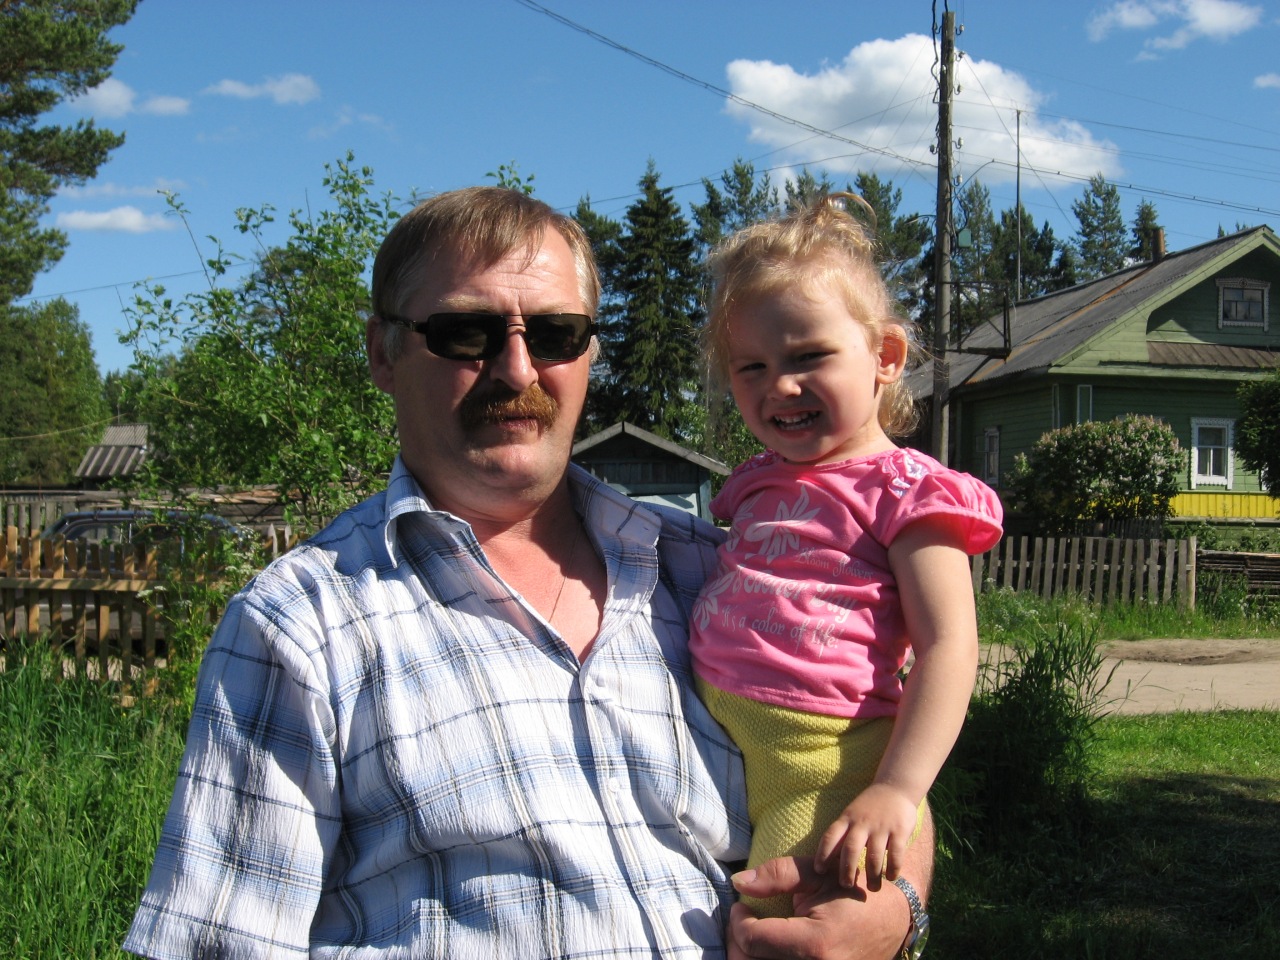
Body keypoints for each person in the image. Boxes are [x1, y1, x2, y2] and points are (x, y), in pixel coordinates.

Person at [124, 186, 932, 960]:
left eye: (553, 335)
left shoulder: (714, 572)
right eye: (465, 333)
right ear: (382, 352)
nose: (517, 370)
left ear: (588, 353)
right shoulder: (303, 624)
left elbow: (865, 757)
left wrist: (897, 912)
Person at [690, 194, 1002, 918]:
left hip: (822, 762)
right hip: (719, 742)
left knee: (783, 929)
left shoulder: (910, 493)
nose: (780, 385)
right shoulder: (756, 483)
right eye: (751, 366)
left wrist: (896, 789)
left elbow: (950, 647)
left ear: (885, 357)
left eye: (808, 356)